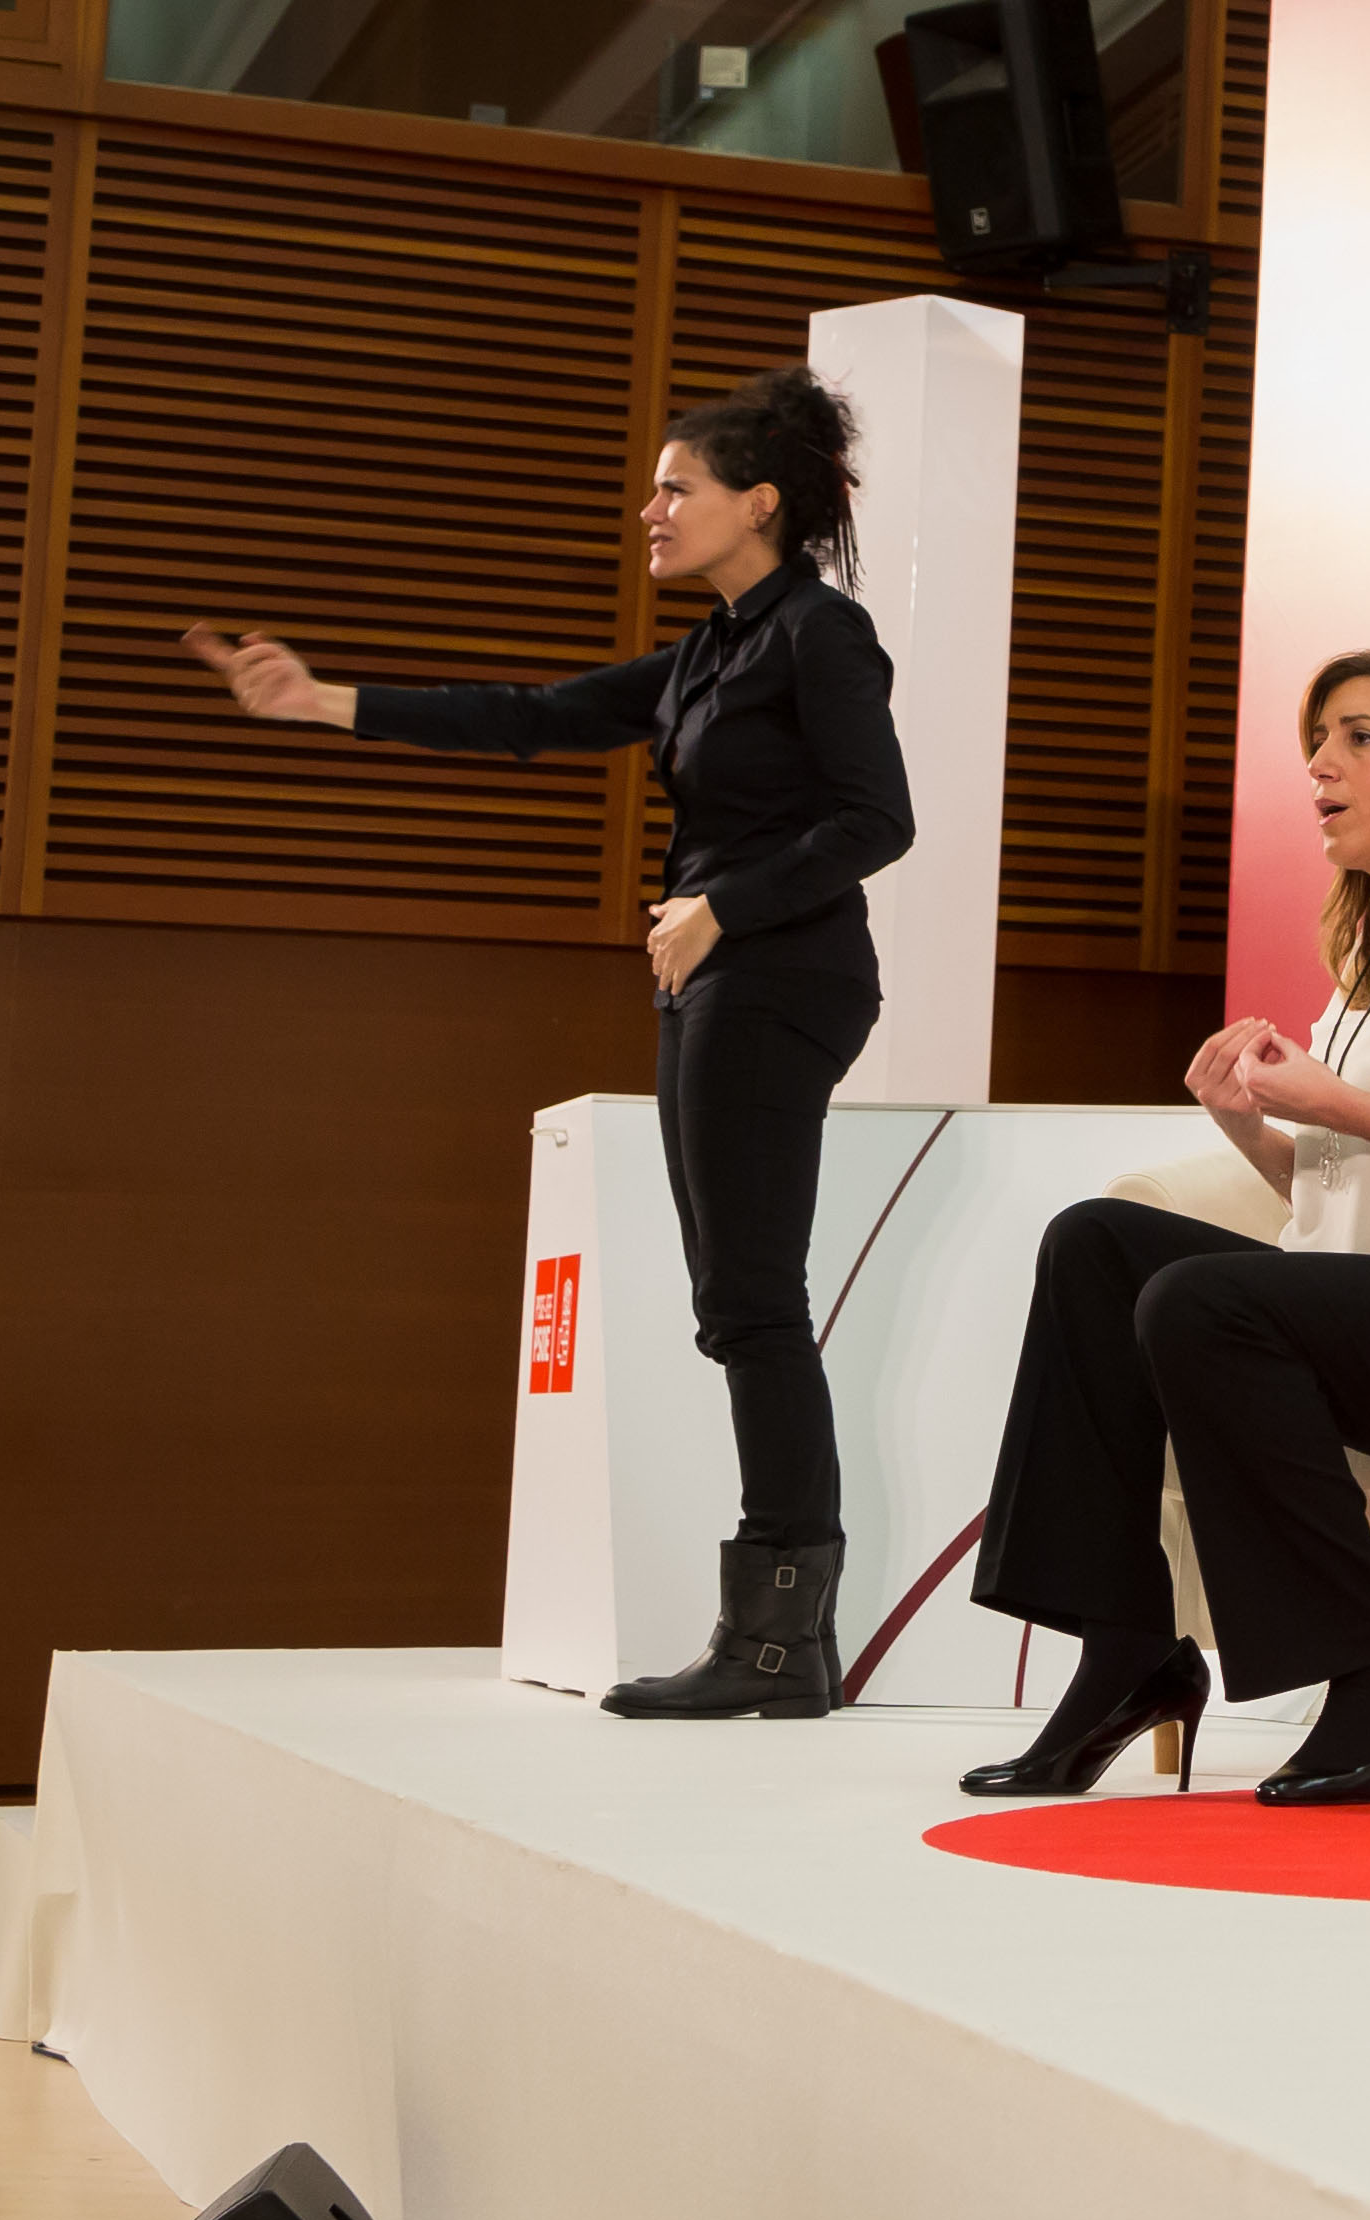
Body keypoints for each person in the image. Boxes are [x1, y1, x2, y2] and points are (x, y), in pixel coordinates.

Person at [185, 365, 912, 1719]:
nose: (650, 509)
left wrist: (724, 906)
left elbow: (880, 820)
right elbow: (536, 715)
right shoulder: (709, 651)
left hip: (779, 975)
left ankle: (775, 1644)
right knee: (736, 1303)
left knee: (754, 1303)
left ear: (758, 502)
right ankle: (778, 1641)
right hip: (711, 977)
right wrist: (323, 700)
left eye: (675, 487)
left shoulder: (822, 633)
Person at [957, 646, 1370, 1807]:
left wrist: (1348, 1103)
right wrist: (1253, 1127)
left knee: (1201, 1298)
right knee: (1096, 1242)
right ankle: (1126, 1648)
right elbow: (1341, 1195)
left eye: (1360, 737)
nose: (1321, 764)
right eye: (1318, 740)